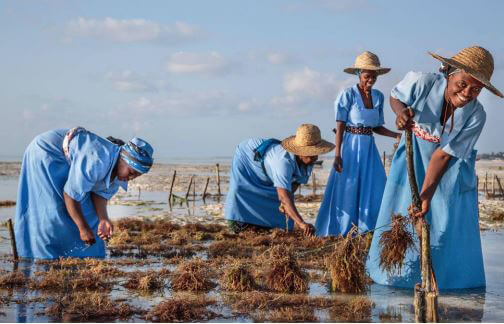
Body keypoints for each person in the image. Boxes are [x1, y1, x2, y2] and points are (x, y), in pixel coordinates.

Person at [367, 46, 503, 289]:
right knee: (403, 212)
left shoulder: (477, 115)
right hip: (413, 156)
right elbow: (396, 96)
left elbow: (443, 155)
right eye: (462, 84)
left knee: (448, 219)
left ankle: (452, 282)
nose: (467, 93)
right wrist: (400, 114)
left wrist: (426, 194)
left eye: (476, 89)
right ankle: (396, 277)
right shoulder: (423, 83)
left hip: (449, 169)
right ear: (449, 73)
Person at [15, 127, 154, 259]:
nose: (130, 178)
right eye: (131, 173)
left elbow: (100, 194)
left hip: (69, 159)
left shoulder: (119, 171)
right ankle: (42, 256)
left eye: (135, 176)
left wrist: (103, 219)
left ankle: (83, 256)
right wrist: (83, 228)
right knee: (53, 210)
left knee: (90, 214)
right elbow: (70, 195)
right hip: (46, 152)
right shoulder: (96, 161)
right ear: (123, 159)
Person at [315, 51, 400, 237]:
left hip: (369, 146)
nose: (371, 80)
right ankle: (343, 230)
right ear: (358, 74)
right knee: (348, 186)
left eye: (374, 76)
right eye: (367, 76)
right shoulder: (348, 95)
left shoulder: (378, 97)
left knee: (374, 185)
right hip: (350, 146)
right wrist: (338, 155)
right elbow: (340, 125)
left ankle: (368, 228)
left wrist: (396, 135)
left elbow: (377, 126)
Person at [225, 124, 335, 236]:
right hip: (247, 156)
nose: (315, 157)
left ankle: (266, 225)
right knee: (241, 190)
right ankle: (239, 222)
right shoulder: (283, 163)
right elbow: (283, 196)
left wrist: (285, 204)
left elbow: (293, 185)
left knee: (281, 199)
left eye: (316, 153)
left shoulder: (309, 160)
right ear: (300, 152)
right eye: (310, 153)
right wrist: (301, 223)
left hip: (267, 166)